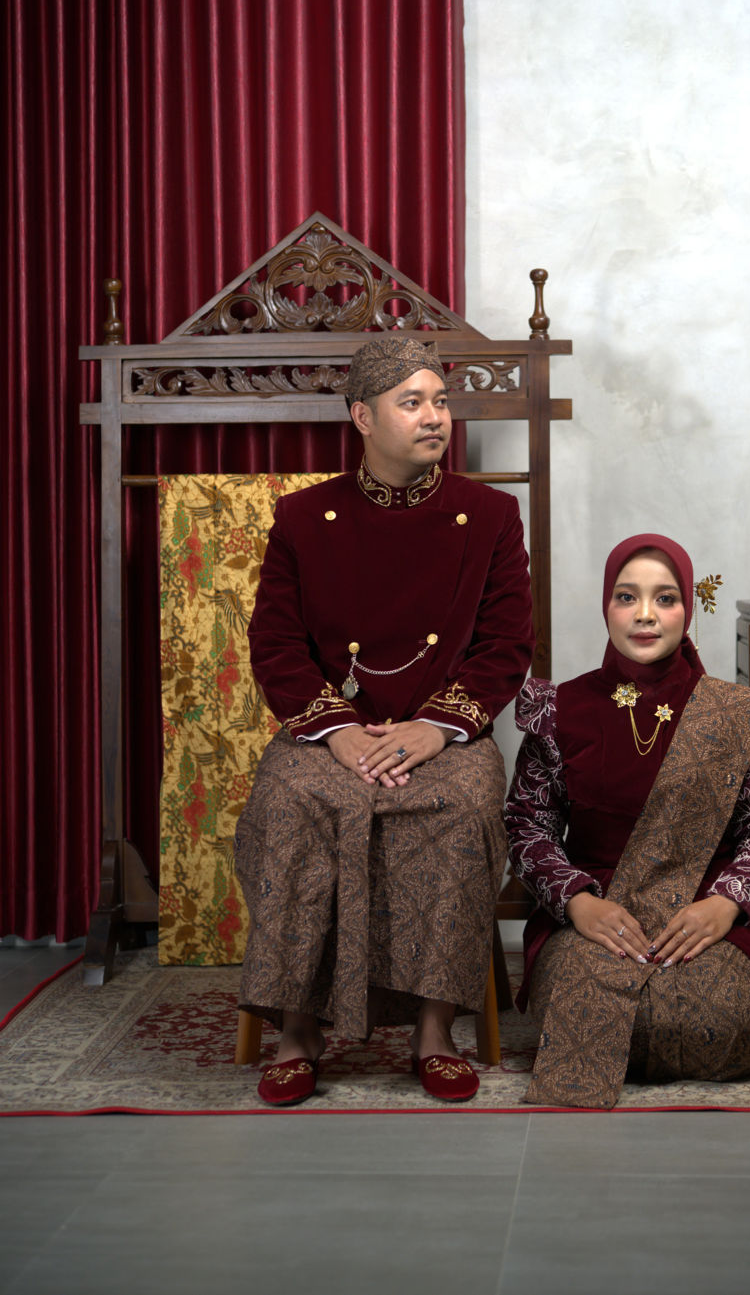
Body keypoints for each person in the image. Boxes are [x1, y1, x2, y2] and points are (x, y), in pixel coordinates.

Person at [234, 335, 534, 1105]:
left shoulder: (491, 515)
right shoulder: (304, 517)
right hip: (331, 728)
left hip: (443, 731)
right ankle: (298, 1030)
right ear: (363, 416)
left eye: (441, 401)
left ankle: (434, 1030)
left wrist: (436, 727)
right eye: (413, 402)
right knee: (290, 800)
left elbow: (506, 644)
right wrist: (336, 731)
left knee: (459, 805)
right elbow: (275, 643)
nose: (435, 417)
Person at [504, 533, 750, 1109]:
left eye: (665, 598)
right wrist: (577, 902)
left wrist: (725, 904)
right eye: (626, 597)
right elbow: (528, 826)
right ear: (606, 607)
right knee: (583, 1005)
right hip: (598, 911)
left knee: (727, 1021)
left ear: (688, 609)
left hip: (703, 911)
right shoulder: (560, 709)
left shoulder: (736, 715)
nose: (645, 614)